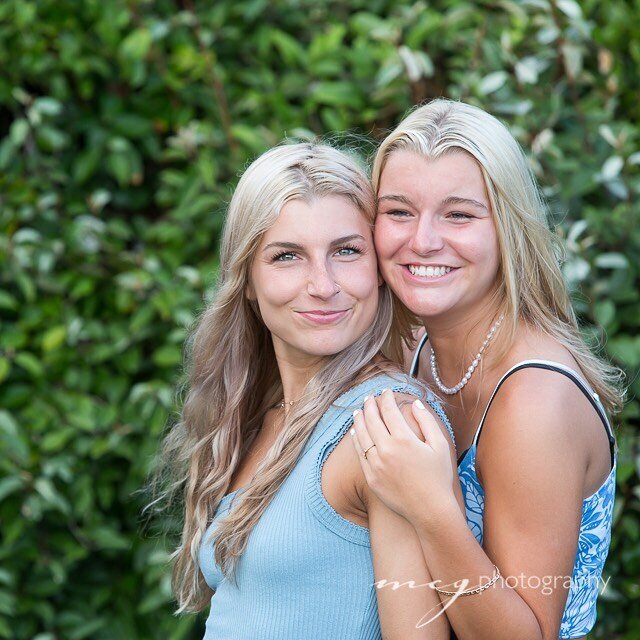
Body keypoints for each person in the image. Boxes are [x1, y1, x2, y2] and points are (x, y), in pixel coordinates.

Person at [150, 142, 460, 639]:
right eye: (287, 256)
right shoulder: (262, 412)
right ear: (246, 279)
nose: (323, 284)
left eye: (346, 251)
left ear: (379, 269)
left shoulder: (385, 426)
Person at [351, 99, 621, 640]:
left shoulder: (535, 400)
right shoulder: (412, 348)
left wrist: (431, 506)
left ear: (507, 227)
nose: (423, 240)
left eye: (458, 214)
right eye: (399, 211)